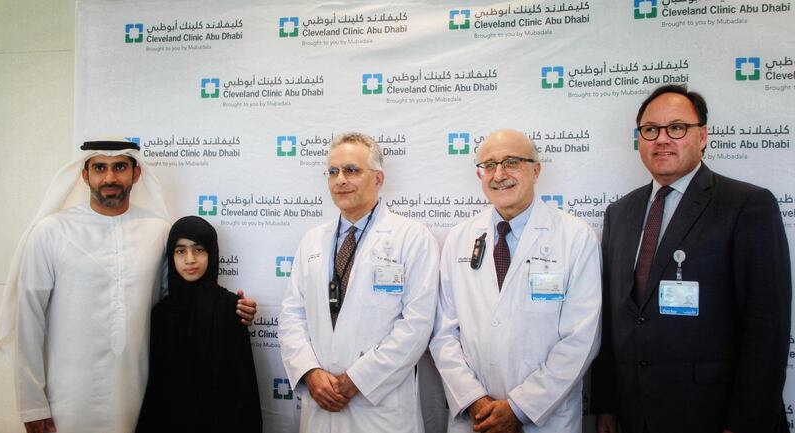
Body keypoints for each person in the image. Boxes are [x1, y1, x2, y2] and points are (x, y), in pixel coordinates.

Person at [0, 140, 257, 433]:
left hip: (139, 397)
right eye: (100, 168)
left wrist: (229, 309)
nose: (110, 178)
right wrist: (33, 405)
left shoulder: (157, 231)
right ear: (85, 176)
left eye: (120, 167)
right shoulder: (51, 232)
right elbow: (28, 321)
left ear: (136, 174)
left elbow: (181, 303)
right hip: (66, 399)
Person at [591, 84, 791, 433]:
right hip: (635, 412)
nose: (662, 139)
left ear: (702, 136)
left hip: (713, 414)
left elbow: (766, 328)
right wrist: (607, 404)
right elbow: (615, 318)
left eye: (677, 128)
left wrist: (744, 423)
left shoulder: (746, 205)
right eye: (650, 130)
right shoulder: (619, 213)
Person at [429, 129, 602, 433]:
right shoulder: (460, 238)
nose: (499, 174)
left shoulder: (575, 237)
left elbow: (581, 339)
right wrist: (475, 400)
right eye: (489, 165)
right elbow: (443, 332)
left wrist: (520, 408)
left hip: (544, 419)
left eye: (511, 162)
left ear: (535, 170)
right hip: (476, 417)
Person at [278, 132, 439, 432]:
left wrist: (357, 380)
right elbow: (291, 316)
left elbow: (416, 325)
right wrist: (311, 373)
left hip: (378, 407)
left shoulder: (412, 238)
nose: (340, 180)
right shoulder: (312, 241)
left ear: (378, 179)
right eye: (333, 172)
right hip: (320, 402)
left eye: (351, 170)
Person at [136, 216, 262, 432]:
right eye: (180, 251)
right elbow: (157, 390)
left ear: (212, 253)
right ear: (171, 256)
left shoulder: (231, 308)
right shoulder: (161, 314)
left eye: (199, 250)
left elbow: (242, 386)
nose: (190, 259)